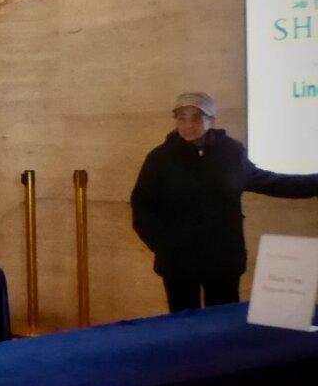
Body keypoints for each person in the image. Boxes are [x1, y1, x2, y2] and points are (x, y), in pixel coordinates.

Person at [130, 92, 318, 313]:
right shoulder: (159, 158)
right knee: (183, 326)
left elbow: (271, 182)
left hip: (223, 262)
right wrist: (165, 247)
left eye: (197, 117)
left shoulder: (231, 153)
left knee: (223, 323)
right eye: (182, 117)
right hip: (177, 264)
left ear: (212, 120)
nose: (188, 124)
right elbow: (142, 208)